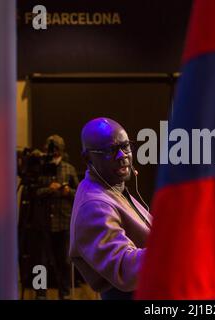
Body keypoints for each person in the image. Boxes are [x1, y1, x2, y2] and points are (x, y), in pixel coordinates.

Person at [69, 117, 152, 300]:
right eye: (110, 150)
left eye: (125, 146)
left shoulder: (112, 187)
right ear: (87, 158)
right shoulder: (94, 205)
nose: (122, 156)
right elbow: (124, 268)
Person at [34, 134, 79, 299]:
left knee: (64, 262)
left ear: (61, 151)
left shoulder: (69, 169)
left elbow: (79, 195)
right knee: (41, 263)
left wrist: (68, 192)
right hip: (43, 223)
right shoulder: (40, 168)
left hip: (63, 222)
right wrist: (49, 189)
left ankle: (65, 294)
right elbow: (34, 193)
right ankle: (40, 294)